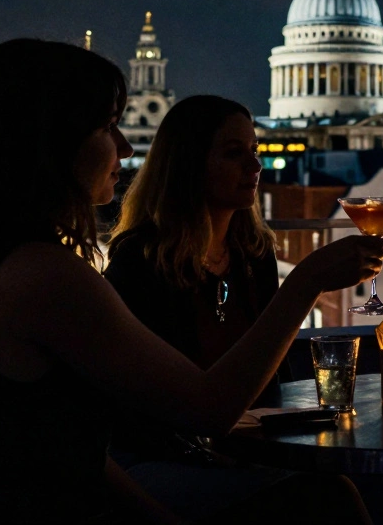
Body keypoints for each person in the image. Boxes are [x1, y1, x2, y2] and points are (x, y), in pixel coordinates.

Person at [0, 40, 381, 524]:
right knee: (328, 500)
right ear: (51, 141)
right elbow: (209, 408)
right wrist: (309, 280)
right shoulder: (46, 276)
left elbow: (60, 445)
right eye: (108, 126)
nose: (125, 145)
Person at [103, 95, 294, 521]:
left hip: (241, 451)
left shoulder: (254, 254)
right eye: (233, 153)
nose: (255, 167)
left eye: (255, 150)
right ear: (188, 165)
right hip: (156, 460)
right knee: (324, 498)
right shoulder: (142, 259)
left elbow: (270, 379)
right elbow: (136, 404)